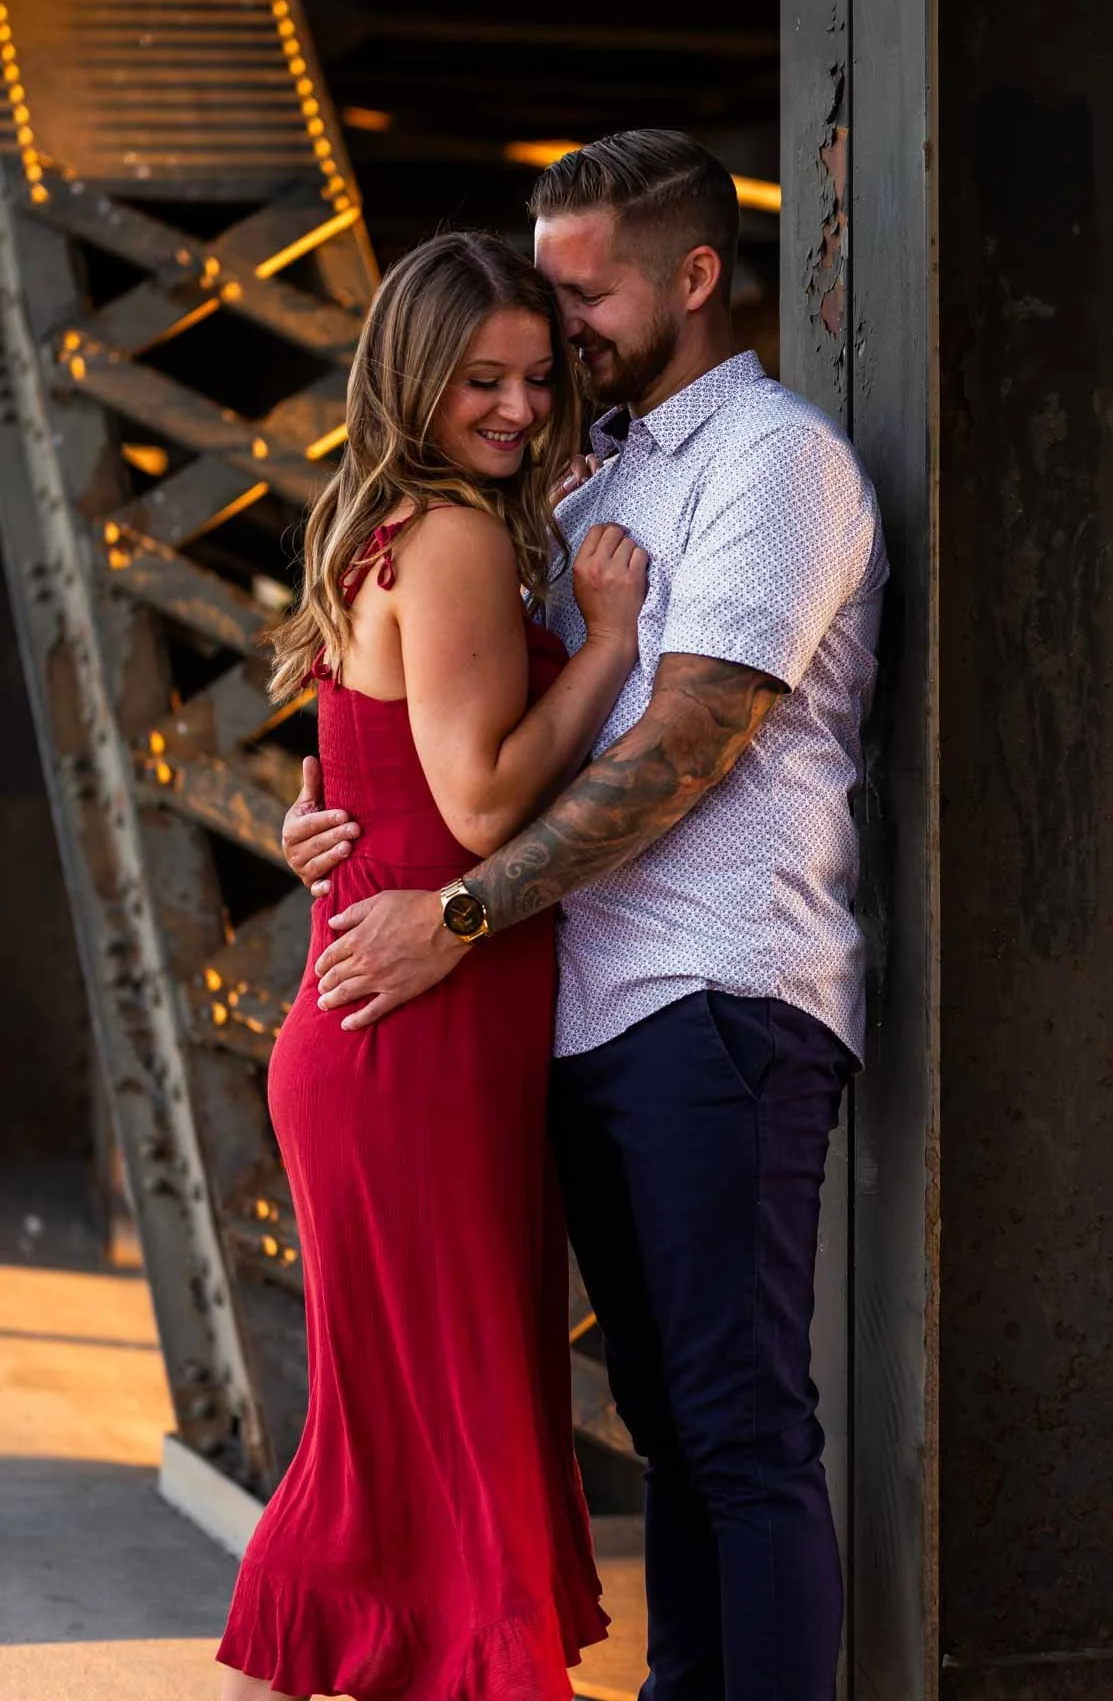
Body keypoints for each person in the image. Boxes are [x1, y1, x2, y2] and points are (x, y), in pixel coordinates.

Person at [284, 131, 888, 1701]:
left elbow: (687, 742)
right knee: (674, 1427)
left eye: (582, 297)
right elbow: (449, 721)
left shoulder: (773, 464)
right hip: (582, 1013)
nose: (555, 339)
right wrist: (341, 819)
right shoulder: (590, 479)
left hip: (719, 997)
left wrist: (456, 913)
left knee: (740, 1429)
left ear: (692, 278)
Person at [216, 230, 650, 1701]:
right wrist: (608, 645)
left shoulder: (390, 524)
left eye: (536, 377)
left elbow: (377, 782)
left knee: (394, 1460)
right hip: (418, 1041)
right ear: (414, 377)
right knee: (418, 1452)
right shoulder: (455, 535)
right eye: (482, 381)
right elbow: (478, 804)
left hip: (394, 1032)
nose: (520, 408)